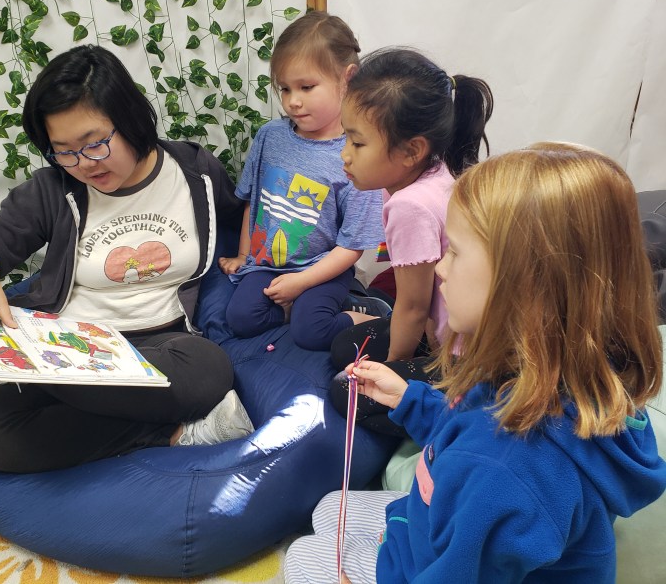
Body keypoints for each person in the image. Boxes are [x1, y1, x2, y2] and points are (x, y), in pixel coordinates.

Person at [284, 144, 666, 583]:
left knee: (302, 556)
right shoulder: (544, 376)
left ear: (525, 289)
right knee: (330, 508)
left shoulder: (501, 471)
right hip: (443, 523)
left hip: (443, 558)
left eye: (456, 252)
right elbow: (468, 427)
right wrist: (409, 400)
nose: (440, 269)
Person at [0, 44, 253, 474]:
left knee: (208, 371)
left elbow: (240, 216)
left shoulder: (195, 172)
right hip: (72, 347)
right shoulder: (53, 190)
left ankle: (58, 388)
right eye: (63, 150)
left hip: (163, 348)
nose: (83, 164)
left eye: (95, 144)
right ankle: (176, 433)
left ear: (130, 120)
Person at [218, 11, 384, 351]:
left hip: (323, 270)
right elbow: (254, 201)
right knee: (240, 319)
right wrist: (244, 255)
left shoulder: (356, 154)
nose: (293, 101)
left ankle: (366, 313)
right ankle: (291, 310)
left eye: (307, 87)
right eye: (285, 88)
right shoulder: (270, 136)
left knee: (311, 332)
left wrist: (301, 282)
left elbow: (352, 245)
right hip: (267, 265)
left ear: (348, 79)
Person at [330, 47, 493, 370]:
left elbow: (415, 308)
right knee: (343, 348)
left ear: (411, 151)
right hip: (438, 326)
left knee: (350, 387)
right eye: (345, 137)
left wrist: (393, 369)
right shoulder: (432, 170)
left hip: (461, 357)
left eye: (357, 143)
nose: (345, 155)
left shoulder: (410, 206)